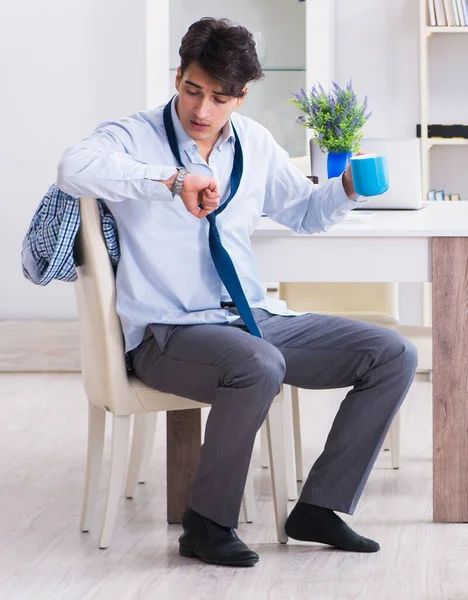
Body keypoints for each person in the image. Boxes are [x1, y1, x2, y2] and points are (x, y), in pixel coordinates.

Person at [57, 17, 418, 568]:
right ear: (178, 76)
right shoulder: (134, 137)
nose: (202, 111)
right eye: (192, 91)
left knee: (392, 353)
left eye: (220, 98)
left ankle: (319, 507)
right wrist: (173, 179)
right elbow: (72, 167)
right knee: (258, 365)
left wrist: (346, 188)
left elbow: (302, 211)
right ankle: (206, 524)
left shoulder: (254, 143)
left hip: (252, 319)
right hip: (167, 332)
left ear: (242, 96)